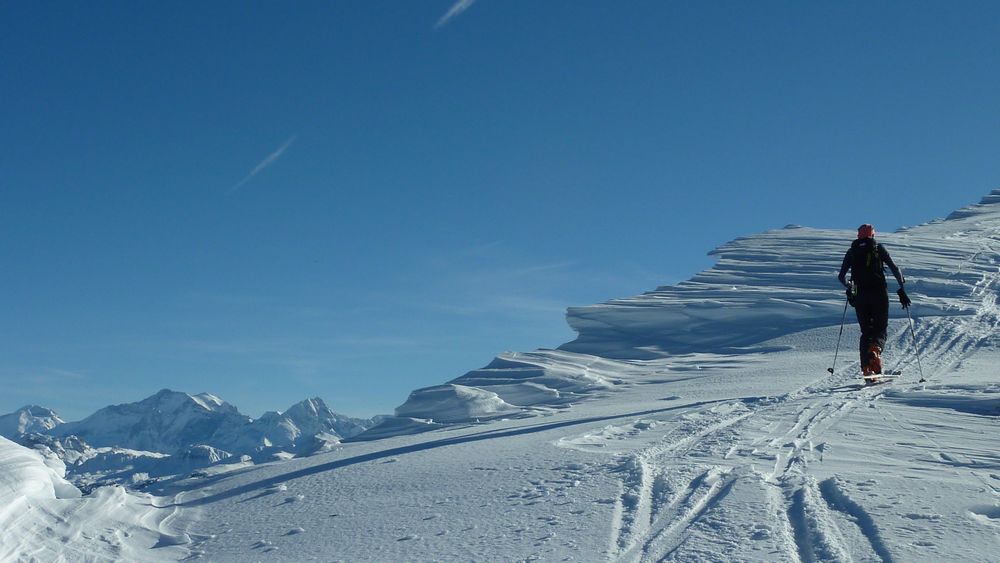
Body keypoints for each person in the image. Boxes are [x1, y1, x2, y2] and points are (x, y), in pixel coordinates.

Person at [838, 224, 911, 376]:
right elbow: (894, 268)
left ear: (858, 235)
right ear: (872, 235)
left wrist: (850, 288)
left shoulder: (852, 252)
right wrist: (902, 287)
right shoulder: (878, 248)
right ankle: (875, 350)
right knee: (880, 329)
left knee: (866, 332)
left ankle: (866, 367)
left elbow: (841, 277)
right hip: (879, 293)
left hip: (860, 296)